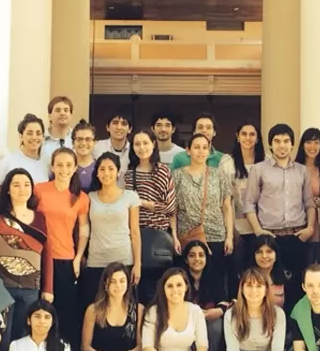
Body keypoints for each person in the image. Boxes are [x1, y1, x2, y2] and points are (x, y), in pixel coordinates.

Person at [0, 168, 53, 345]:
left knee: (23, 339)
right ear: (8, 189)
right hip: (1, 287)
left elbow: (48, 254)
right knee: (0, 339)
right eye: (16, 185)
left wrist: (48, 288)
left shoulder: (41, 218)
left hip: (31, 288)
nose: (22, 189)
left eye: (27, 184)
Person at [245, 124, 316, 298]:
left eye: (286, 141)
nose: (282, 145)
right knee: (270, 286)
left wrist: (310, 228)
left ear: (292, 145)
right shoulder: (258, 169)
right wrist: (258, 231)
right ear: (270, 145)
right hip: (269, 238)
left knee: (297, 287)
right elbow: (249, 203)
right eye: (277, 141)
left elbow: (309, 202)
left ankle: (293, 324)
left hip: (297, 236)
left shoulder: (302, 171)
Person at [34, 148, 90, 351]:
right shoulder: (39, 190)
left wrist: (78, 257)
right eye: (59, 165)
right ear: (52, 166)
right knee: (40, 310)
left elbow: (84, 230)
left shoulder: (80, 198)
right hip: (40, 258)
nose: (64, 169)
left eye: (68, 165)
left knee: (65, 313)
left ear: (75, 167)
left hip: (66, 259)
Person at [78, 153, 142, 323]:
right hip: (96, 261)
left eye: (111, 169)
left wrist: (138, 263)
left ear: (118, 172)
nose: (106, 173)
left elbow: (135, 231)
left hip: (123, 259)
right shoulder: (89, 197)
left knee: (124, 308)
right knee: (94, 309)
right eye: (102, 169)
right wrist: (80, 255)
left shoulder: (130, 196)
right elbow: (84, 229)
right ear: (97, 173)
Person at [172, 133, 234, 289]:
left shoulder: (219, 174)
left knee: (215, 281)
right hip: (187, 235)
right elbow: (173, 209)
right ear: (188, 150)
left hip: (215, 235)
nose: (200, 151)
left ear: (209, 151)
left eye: (205, 148)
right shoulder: (177, 175)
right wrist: (173, 236)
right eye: (196, 147)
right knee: (187, 282)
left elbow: (227, 207)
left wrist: (229, 236)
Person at [124, 129, 177, 305]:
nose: (142, 147)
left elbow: (170, 207)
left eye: (145, 143)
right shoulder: (129, 173)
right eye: (137, 144)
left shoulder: (163, 171)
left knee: (159, 293)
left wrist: (143, 202)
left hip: (158, 237)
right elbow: (128, 206)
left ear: (153, 144)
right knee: (137, 293)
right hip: (135, 237)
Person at [0, 113, 51, 216]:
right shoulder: (9, 161)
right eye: (29, 133)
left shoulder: (47, 162)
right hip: (12, 217)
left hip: (39, 219)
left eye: (38, 133)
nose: (34, 137)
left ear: (42, 137)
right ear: (21, 136)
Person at [229, 122, 265, 293]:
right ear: (237, 136)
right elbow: (225, 199)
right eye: (244, 134)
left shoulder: (266, 163)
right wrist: (230, 230)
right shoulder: (227, 163)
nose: (248, 138)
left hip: (261, 228)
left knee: (259, 274)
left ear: (257, 138)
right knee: (238, 273)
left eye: (252, 134)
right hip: (238, 229)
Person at [181, 240, 230, 351]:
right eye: (192, 255)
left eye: (201, 255)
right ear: (186, 260)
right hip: (185, 318)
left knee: (216, 325)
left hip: (209, 318)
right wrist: (196, 313)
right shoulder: (180, 277)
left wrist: (219, 310)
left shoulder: (215, 276)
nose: (197, 259)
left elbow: (223, 301)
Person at [296, 128, 320, 255]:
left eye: (316, 142)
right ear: (302, 145)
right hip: (299, 219)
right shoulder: (295, 168)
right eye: (308, 142)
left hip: (319, 220)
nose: (312, 147)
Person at [93, 111, 133, 184]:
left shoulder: (134, 150)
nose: (119, 127)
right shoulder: (96, 147)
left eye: (124, 124)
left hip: (127, 193)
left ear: (130, 129)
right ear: (107, 127)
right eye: (115, 123)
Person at [71, 119, 98, 189]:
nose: (83, 143)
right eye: (79, 139)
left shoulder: (100, 168)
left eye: (88, 139)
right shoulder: (66, 167)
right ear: (72, 143)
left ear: (94, 143)